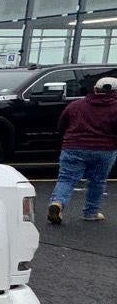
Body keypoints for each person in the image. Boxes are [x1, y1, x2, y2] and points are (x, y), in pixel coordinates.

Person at [47, 75, 117, 224]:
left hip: (73, 147)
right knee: (97, 181)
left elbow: (62, 124)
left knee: (66, 178)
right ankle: (91, 212)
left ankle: (57, 202)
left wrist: (68, 138)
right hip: (104, 150)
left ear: (95, 89)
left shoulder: (76, 105)